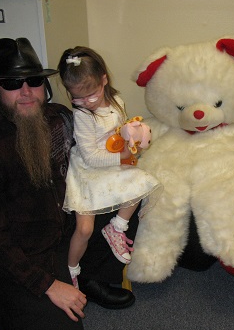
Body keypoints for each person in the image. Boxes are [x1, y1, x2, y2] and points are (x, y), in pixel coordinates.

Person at [0, 38, 135, 330]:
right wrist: (48, 286)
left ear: (45, 85)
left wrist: (130, 145)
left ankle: (90, 278)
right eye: (12, 84)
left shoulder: (60, 118)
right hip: (23, 259)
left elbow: (95, 153)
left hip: (63, 233)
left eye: (34, 81)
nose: (26, 92)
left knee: (129, 205)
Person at [57, 46, 161, 289]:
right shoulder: (83, 114)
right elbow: (91, 157)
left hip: (112, 160)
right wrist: (123, 156)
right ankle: (71, 271)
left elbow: (119, 131)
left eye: (91, 95)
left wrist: (132, 137)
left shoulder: (116, 101)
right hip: (87, 170)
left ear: (104, 79)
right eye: (77, 97)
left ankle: (117, 227)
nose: (86, 102)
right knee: (84, 229)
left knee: (140, 182)